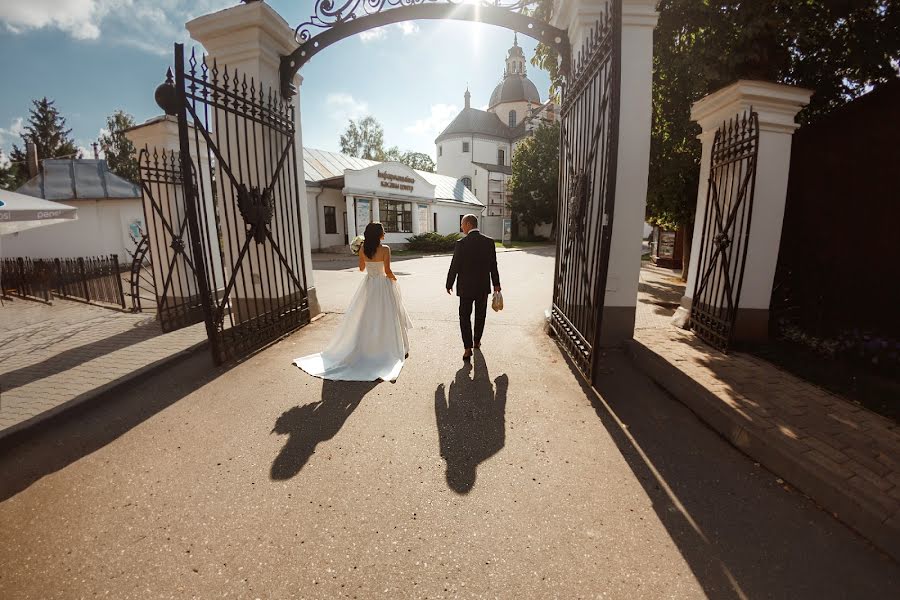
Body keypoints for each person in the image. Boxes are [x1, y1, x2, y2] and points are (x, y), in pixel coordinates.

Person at [294, 222, 412, 382]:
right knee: (386, 316)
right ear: (379, 234)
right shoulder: (385, 249)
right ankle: (389, 347)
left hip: (369, 285)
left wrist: (362, 256)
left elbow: (362, 269)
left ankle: (365, 348)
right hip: (383, 285)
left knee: (366, 316)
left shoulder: (363, 249)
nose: (385, 233)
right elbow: (388, 270)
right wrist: (394, 280)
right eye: (383, 231)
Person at [445, 214, 501, 361]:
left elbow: (455, 266)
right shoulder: (489, 242)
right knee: (480, 315)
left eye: (462, 224)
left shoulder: (461, 243)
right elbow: (493, 265)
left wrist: (449, 283)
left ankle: (467, 348)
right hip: (482, 287)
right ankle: (477, 341)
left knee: (464, 317)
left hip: (465, 288)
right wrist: (496, 284)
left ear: (469, 224)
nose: (461, 227)